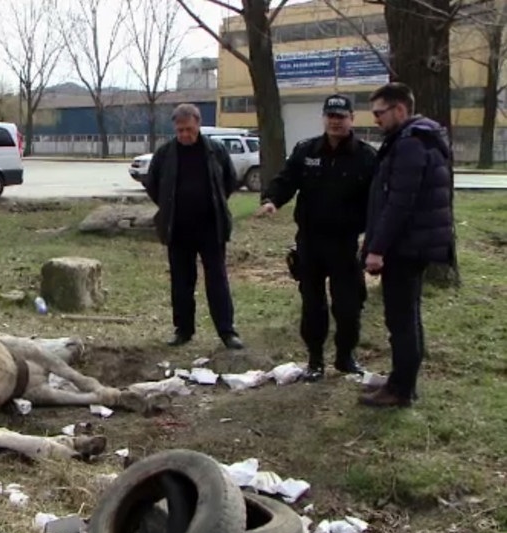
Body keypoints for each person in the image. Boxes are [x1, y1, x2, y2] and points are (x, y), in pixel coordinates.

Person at [255, 95, 377, 381]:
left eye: (341, 116)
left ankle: (345, 357)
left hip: (345, 244)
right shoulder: (306, 150)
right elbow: (287, 180)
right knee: (312, 304)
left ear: (352, 119)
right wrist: (272, 200)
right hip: (310, 242)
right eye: (330, 116)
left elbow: (377, 200)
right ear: (324, 118)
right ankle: (315, 360)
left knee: (348, 306)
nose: (335, 121)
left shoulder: (366, 157)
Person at [360, 82, 455, 408]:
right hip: (414, 243)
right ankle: (402, 381)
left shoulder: (410, 144)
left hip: (406, 246)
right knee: (406, 316)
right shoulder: (419, 139)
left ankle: (400, 389)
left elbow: (399, 202)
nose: (376, 120)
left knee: (401, 319)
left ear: (399, 110)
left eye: (379, 113)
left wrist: (377, 249)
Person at [144, 103, 244, 349]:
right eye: (179, 130)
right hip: (178, 228)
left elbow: (229, 181)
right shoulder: (165, 153)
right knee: (181, 281)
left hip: (211, 228)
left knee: (217, 279)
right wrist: (168, 207)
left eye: (188, 129)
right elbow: (153, 183)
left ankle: (227, 331)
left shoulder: (215, 151)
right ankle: (183, 330)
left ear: (198, 124)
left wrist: (214, 204)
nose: (184, 135)